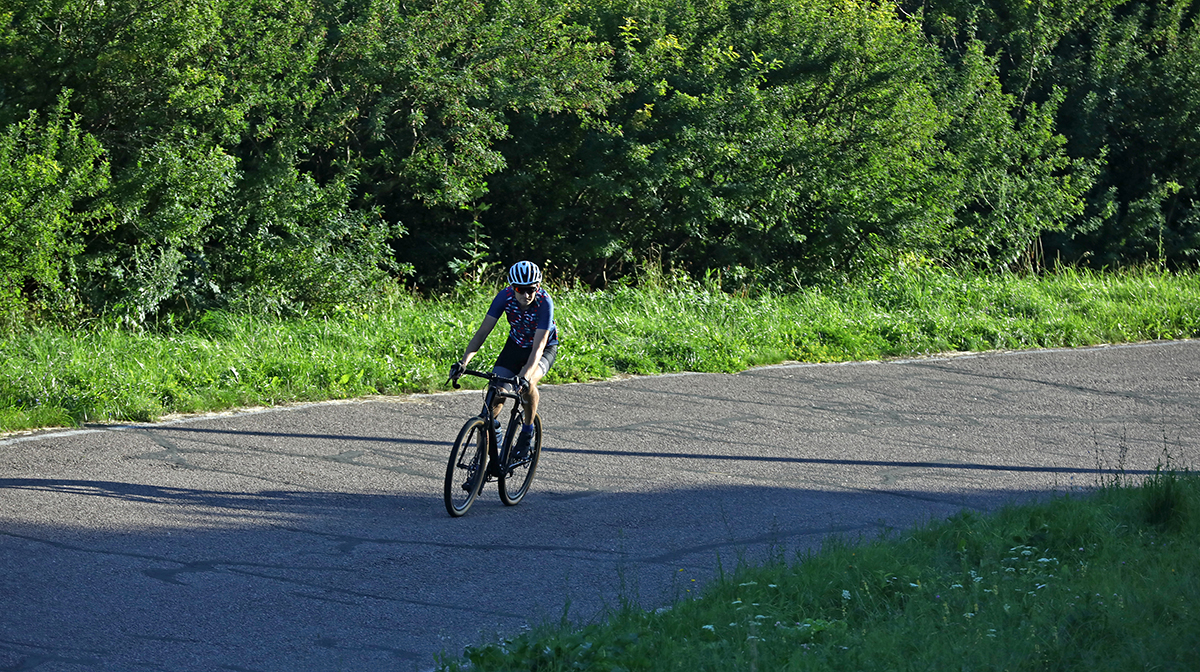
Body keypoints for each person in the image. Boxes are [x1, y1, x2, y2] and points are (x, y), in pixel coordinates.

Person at [451, 260, 558, 459]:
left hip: (542, 349)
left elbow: (539, 346)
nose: (526, 295)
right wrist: (463, 362)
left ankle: (527, 431)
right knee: (496, 390)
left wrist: (525, 376)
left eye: (531, 289)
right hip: (516, 345)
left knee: (528, 383)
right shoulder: (505, 297)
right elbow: (482, 333)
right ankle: (481, 459)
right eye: (520, 289)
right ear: (512, 287)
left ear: (538, 287)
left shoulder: (545, 302)